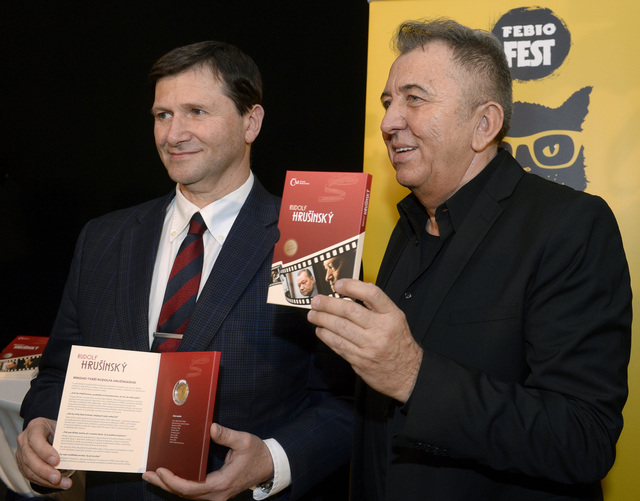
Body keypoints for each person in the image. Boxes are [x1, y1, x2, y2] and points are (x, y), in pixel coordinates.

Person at [307, 18, 632, 501]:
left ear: (484, 124)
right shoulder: (407, 227)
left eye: (414, 99)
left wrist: (413, 375)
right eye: (388, 101)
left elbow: (583, 438)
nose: (388, 121)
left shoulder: (570, 225)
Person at [16, 41, 353, 501]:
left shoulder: (308, 238)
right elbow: (57, 374)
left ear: (251, 122)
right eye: (163, 115)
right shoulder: (104, 238)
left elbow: (343, 404)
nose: (174, 134)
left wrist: (271, 461)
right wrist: (40, 424)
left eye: (196, 111)